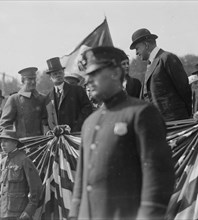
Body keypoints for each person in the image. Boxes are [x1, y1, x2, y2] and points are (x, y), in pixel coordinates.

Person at [69, 46, 175, 220]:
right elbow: (82, 179)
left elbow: (158, 176)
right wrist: (74, 215)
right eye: (86, 75)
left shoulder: (141, 113)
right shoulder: (89, 123)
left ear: (116, 73)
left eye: (94, 73)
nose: (87, 81)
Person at [130, 28, 192, 121]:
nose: (136, 53)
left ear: (146, 45)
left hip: (175, 122)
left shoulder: (167, 58)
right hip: (159, 123)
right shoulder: (150, 65)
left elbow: (184, 89)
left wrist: (187, 116)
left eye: (137, 48)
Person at [0, 129, 42, 220]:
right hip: (3, 213)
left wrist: (28, 211)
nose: (2, 144)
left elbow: (36, 187)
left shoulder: (24, 160)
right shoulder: (3, 161)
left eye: (6, 141)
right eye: (1, 142)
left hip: (19, 214)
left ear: (15, 143)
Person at [45, 57, 93, 132]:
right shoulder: (48, 97)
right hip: (58, 138)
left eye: (60, 72)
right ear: (50, 77)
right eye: (55, 74)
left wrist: (76, 127)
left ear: (63, 73)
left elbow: (87, 109)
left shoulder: (77, 90)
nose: (58, 75)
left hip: (77, 134)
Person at [0, 67, 48, 138]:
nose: (33, 82)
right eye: (30, 79)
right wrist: (11, 142)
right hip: (22, 144)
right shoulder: (14, 99)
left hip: (41, 143)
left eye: (34, 79)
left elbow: (47, 122)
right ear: (22, 80)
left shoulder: (42, 98)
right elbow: (4, 125)